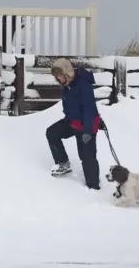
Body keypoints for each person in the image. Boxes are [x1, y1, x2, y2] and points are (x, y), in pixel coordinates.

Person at [46, 58, 101, 190]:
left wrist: (88, 131)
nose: (59, 80)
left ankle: (93, 187)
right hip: (72, 122)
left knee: (87, 157)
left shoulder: (83, 85)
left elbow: (89, 109)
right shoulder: (68, 84)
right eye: (57, 77)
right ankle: (63, 163)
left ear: (68, 73)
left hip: (86, 126)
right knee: (52, 132)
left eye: (60, 76)